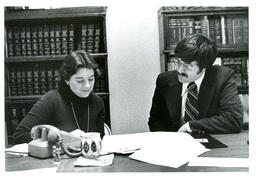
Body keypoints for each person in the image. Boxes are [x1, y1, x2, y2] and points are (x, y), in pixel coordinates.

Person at [148, 33, 243, 134]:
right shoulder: (164, 80)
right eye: (178, 62)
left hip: (210, 143)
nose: (179, 70)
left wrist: (191, 126)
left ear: (204, 66)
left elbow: (233, 120)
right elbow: (155, 120)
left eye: (188, 66)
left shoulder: (222, 78)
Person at [14, 50, 105, 144]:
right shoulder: (52, 99)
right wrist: (60, 138)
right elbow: (19, 135)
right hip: (57, 157)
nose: (87, 86)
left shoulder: (98, 102)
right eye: (80, 81)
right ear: (67, 79)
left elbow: (100, 138)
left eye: (91, 79)